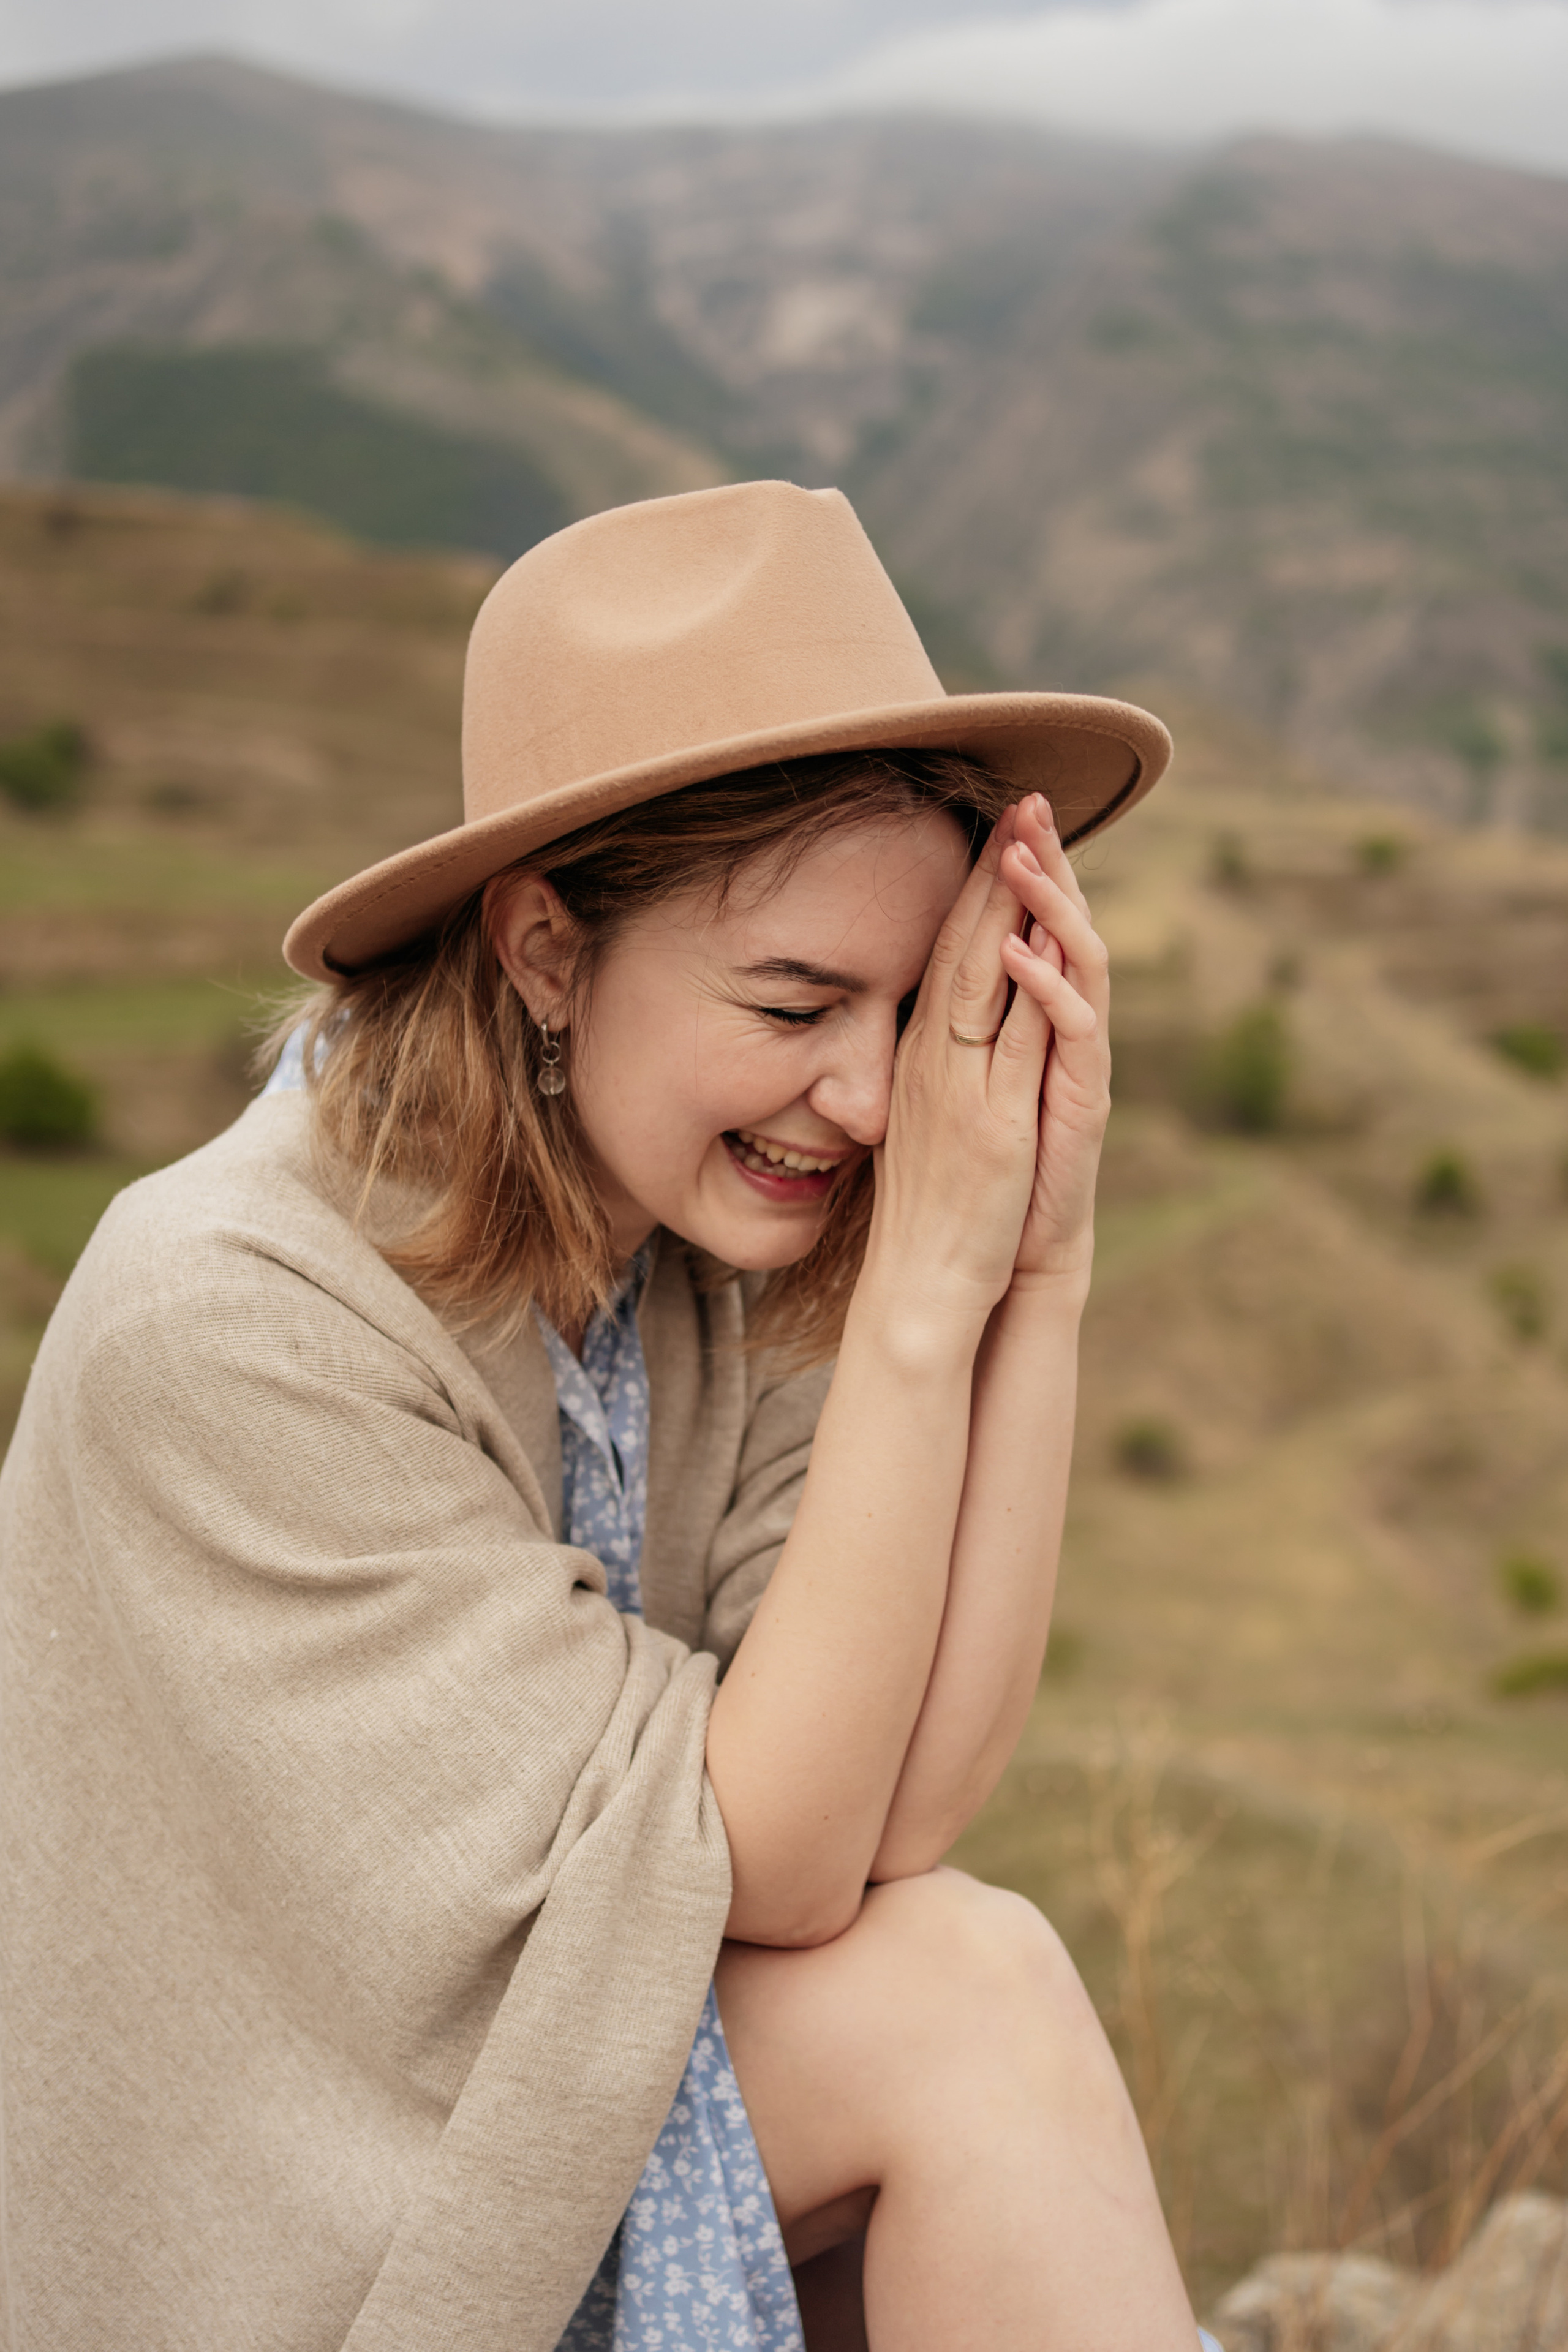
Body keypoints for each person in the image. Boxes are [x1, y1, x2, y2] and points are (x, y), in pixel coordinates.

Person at [0, 481, 1222, 2351]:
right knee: (966, 2011)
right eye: (799, 998)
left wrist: (1031, 1279)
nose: (875, 1100)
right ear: (547, 950)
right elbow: (789, 1862)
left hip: (545, 2094)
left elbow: (897, 1810)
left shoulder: (687, 1240)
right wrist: (920, 1308)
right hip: (310, 2238)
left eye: (911, 1008)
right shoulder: (232, 1323)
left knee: (969, 1972)